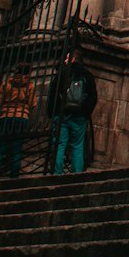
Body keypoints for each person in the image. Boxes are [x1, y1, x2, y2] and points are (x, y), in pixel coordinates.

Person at [49, 46, 97, 175]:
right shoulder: (87, 75)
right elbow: (93, 97)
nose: (64, 61)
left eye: (66, 58)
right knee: (77, 147)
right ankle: (76, 175)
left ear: (73, 58)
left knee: (59, 146)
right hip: (79, 117)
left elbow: (53, 94)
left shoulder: (62, 73)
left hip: (62, 115)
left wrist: (52, 113)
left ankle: (57, 174)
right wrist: (85, 112)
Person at [0, 63, 37, 177]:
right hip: (22, 117)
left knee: (0, 146)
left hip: (6, 115)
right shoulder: (30, 86)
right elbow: (32, 103)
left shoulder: (6, 84)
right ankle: (14, 173)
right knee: (17, 147)